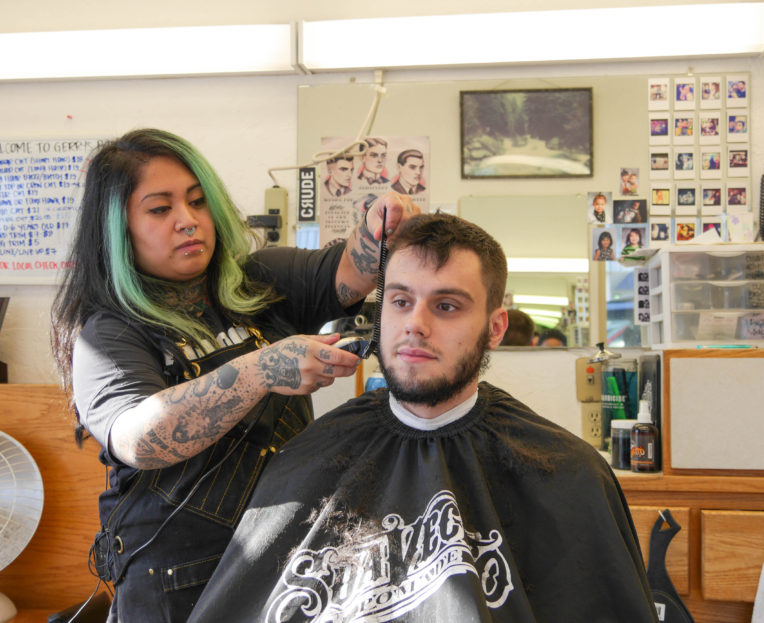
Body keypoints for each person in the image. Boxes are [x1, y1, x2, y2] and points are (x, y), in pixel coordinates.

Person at [187, 213, 658, 622]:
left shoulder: (566, 471)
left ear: (494, 329)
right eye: (400, 301)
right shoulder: (309, 458)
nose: (415, 323)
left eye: (447, 306)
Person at [49, 128, 418, 622]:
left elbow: (353, 269)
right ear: (117, 229)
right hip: (174, 580)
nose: (188, 221)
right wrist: (261, 370)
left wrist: (380, 227)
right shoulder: (108, 333)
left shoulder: (258, 283)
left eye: (198, 202)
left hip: (280, 560)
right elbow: (140, 438)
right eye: (160, 209)